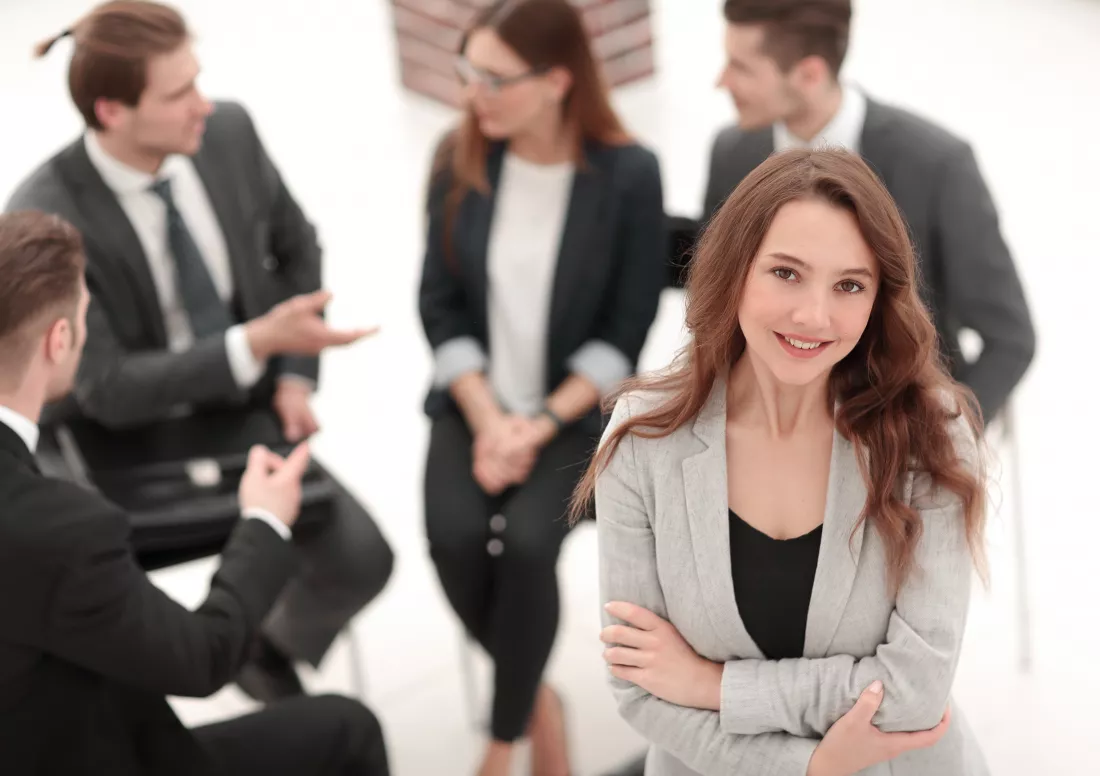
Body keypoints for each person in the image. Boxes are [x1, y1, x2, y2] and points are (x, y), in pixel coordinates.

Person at [6, 0, 395, 703]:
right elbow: (107, 389)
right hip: (121, 445)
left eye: (199, 80)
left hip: (240, 414)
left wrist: (293, 377)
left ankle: (254, 648)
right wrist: (255, 343)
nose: (203, 105)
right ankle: (214, 655)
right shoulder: (48, 219)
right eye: (179, 92)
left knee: (362, 557)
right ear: (111, 110)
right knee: (111, 637)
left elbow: (297, 246)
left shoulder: (229, 134)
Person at [578, 149, 991, 775]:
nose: (813, 316)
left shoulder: (930, 435)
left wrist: (710, 686)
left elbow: (915, 691)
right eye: (786, 274)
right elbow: (639, 688)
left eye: (849, 285)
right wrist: (807, 769)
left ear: (879, 299)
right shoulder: (644, 436)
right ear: (736, 268)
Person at [0, 210, 390, 776]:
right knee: (348, 729)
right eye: (85, 317)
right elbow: (203, 659)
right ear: (59, 340)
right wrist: (264, 522)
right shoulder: (63, 530)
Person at [417, 0, 666, 773]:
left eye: (492, 77)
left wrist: (533, 426)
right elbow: (438, 300)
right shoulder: (457, 156)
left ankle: (502, 739)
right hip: (475, 400)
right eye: (467, 72)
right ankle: (536, 698)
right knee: (453, 537)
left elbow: (625, 329)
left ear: (558, 80)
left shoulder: (629, 175)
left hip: (571, 411)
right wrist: (490, 418)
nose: (472, 92)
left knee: (527, 543)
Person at [676, 0, 1034, 425]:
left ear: (809, 74)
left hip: (894, 435)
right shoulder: (733, 153)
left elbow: (1009, 338)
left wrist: (944, 438)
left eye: (742, 67)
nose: (722, 81)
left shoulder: (937, 165)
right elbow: (714, 291)